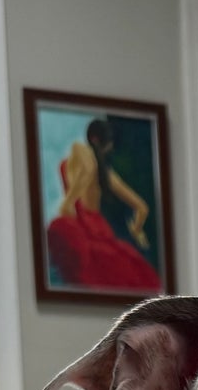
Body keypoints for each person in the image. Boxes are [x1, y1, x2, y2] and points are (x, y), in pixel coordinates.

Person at [46, 119, 161, 294]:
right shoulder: (103, 172)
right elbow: (142, 208)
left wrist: (68, 202)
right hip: (95, 229)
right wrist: (136, 230)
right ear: (104, 143)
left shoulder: (81, 155)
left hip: (86, 228)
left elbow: (87, 168)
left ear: (91, 138)